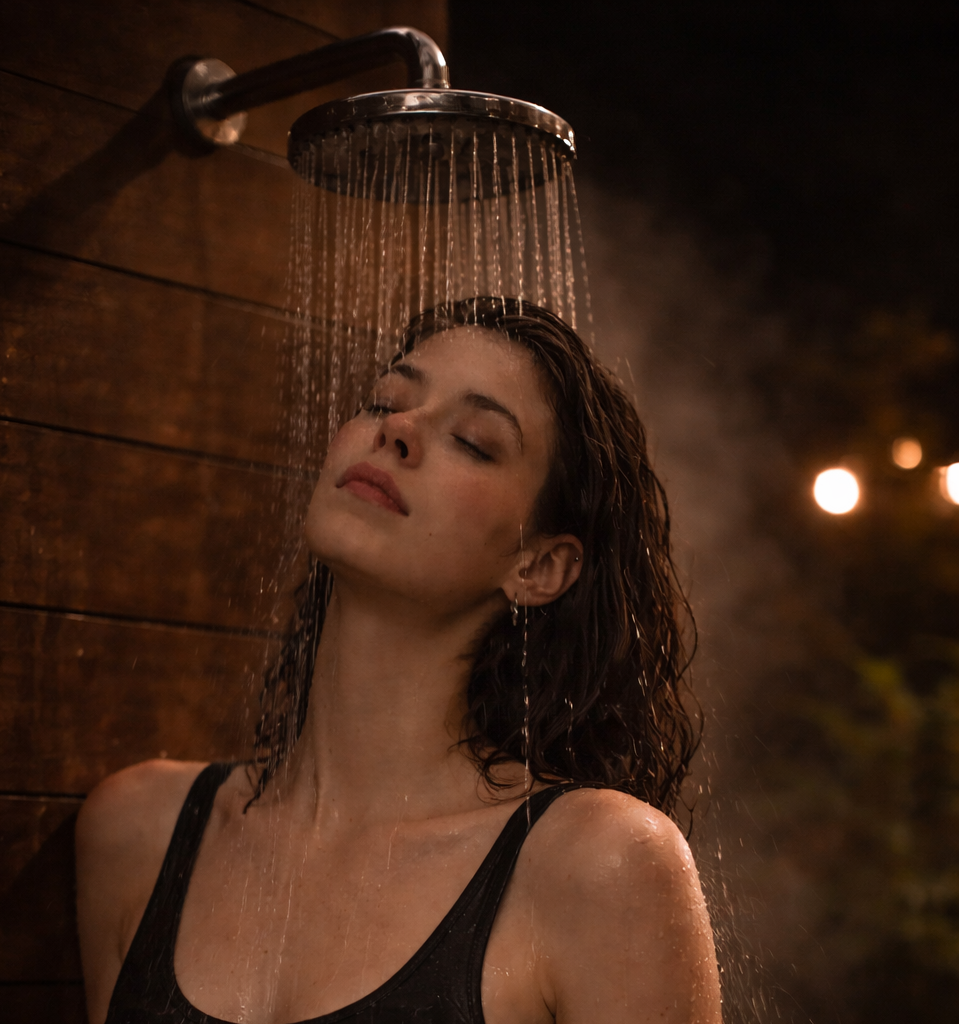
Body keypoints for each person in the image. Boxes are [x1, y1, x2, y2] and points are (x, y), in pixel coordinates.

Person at [76, 298, 722, 1024]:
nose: (398, 430)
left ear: (538, 566)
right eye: (385, 400)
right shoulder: (139, 831)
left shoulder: (600, 866)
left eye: (474, 441)